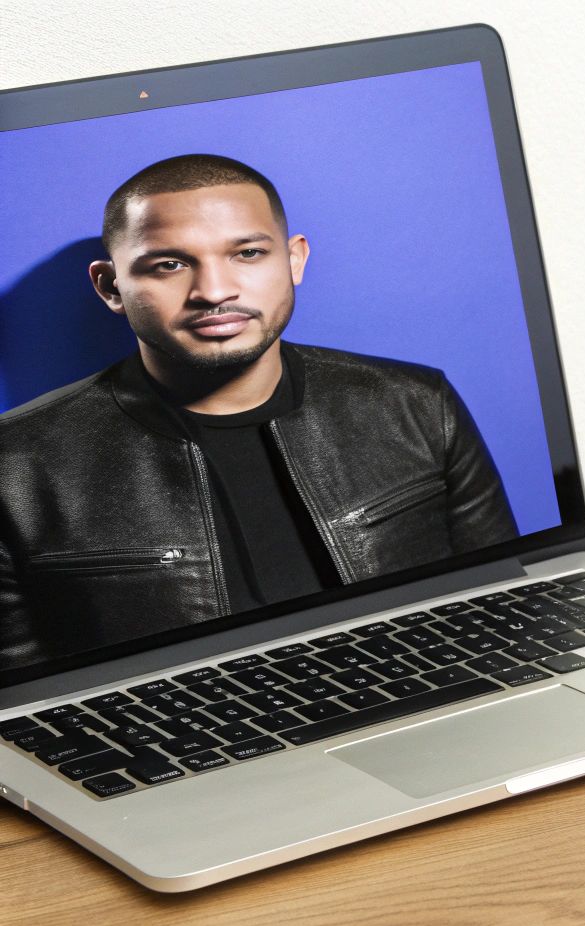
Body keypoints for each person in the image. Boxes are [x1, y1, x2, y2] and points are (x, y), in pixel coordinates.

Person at [0, 154, 518, 672]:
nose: (215, 292)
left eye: (247, 253)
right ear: (111, 287)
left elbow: (499, 605)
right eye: (170, 264)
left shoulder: (417, 402)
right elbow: (18, 693)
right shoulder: (15, 466)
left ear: (294, 260)